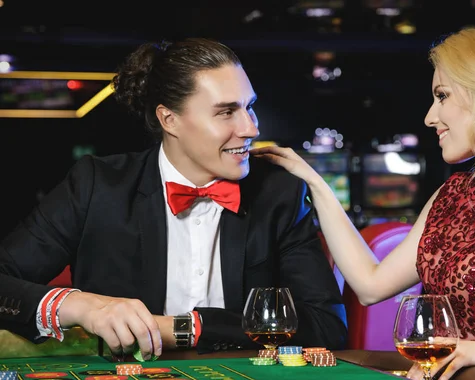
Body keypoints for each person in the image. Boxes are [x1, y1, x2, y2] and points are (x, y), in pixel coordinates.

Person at [251, 19, 475, 380]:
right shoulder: (452, 195)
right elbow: (370, 285)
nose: (430, 116)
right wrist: (316, 184)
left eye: (442, 96)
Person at [0, 38, 347, 360]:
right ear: (170, 119)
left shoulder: (278, 194)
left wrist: (189, 329)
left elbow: (327, 327)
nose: (251, 128)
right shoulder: (97, 185)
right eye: (226, 112)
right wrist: (78, 306)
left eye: (249, 107)